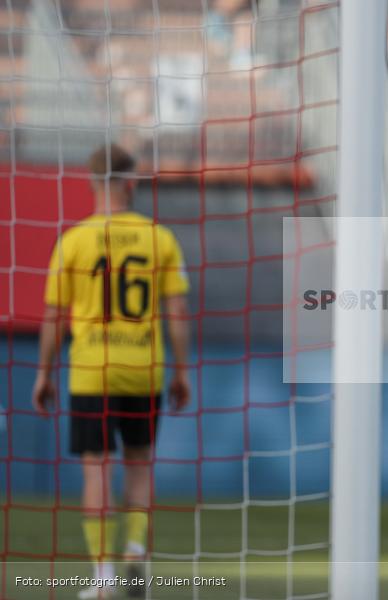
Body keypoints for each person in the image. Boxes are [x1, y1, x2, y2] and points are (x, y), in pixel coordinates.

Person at [31, 145, 191, 600]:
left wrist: (44, 374)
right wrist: (181, 371)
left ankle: (103, 581)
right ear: (131, 182)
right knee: (140, 465)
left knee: (96, 472)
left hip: (91, 372)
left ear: (91, 183)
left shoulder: (74, 240)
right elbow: (177, 309)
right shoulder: (159, 237)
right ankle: (136, 551)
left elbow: (53, 316)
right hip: (144, 369)